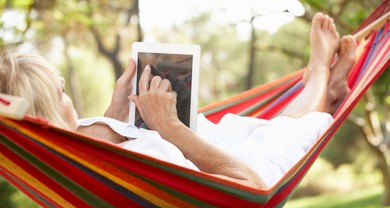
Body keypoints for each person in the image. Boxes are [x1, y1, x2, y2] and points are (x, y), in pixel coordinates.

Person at [0, 13, 357, 190]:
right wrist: (168, 126)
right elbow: (253, 185)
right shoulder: (81, 164)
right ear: (44, 112)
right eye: (58, 91)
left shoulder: (76, 144)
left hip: (215, 145)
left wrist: (117, 111)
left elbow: (109, 149)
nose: (65, 86)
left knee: (262, 129)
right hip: (233, 173)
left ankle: (325, 93)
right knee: (283, 135)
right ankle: (319, 76)